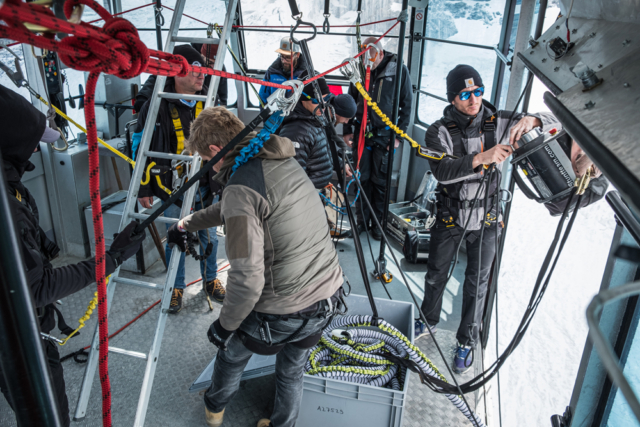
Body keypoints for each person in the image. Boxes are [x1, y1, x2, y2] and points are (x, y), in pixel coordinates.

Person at [166, 107, 345, 427]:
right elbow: (230, 207)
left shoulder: (241, 187)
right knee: (291, 373)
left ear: (214, 152)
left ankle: (214, 409)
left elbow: (247, 280)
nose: (209, 167)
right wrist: (185, 225)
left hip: (283, 311)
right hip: (327, 298)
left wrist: (223, 326)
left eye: (207, 162)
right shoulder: (277, 160)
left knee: (231, 353)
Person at [0, 84, 144, 426]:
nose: (37, 148)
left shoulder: (11, 188)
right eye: (33, 140)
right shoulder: (7, 208)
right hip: (18, 341)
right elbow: (36, 287)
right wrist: (112, 258)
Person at [414, 65, 559, 373]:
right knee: (436, 273)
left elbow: (555, 121)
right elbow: (442, 171)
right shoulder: (437, 131)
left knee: (478, 283)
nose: (474, 100)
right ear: (453, 98)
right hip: (451, 215)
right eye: (465, 95)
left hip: (488, 217)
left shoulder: (503, 121)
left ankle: (466, 340)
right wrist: (482, 157)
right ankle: (427, 320)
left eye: (478, 92)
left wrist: (534, 120)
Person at [133, 45, 225, 314]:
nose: (201, 77)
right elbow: (140, 147)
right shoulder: (155, 105)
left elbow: (225, 144)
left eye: (202, 72)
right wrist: (143, 186)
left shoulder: (209, 102)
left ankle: (210, 280)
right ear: (175, 73)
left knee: (211, 238)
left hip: (206, 186)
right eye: (194, 72)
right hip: (169, 189)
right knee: (176, 239)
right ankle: (176, 287)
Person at [343, 37, 413, 240]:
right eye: (365, 59)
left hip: (385, 137)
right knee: (361, 179)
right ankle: (362, 221)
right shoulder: (359, 68)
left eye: (371, 60)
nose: (368, 64)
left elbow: (406, 106)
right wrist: (348, 128)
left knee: (380, 183)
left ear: (381, 54)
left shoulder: (398, 70)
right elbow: (351, 99)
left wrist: (398, 136)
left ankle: (378, 225)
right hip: (362, 135)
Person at [279, 79, 356, 189]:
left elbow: (323, 150)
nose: (323, 106)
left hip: (320, 190)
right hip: (309, 194)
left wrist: (341, 165)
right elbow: (293, 180)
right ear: (303, 99)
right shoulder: (296, 132)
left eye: (325, 99)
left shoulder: (317, 119)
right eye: (316, 100)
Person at [133, 42, 228, 112]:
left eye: (217, 64)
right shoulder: (186, 56)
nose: (213, 68)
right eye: (210, 63)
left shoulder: (219, 70)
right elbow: (158, 77)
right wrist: (143, 98)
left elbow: (222, 97)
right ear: (201, 56)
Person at [258, 37, 309, 105]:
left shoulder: (306, 74)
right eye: (282, 56)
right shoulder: (272, 72)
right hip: (275, 113)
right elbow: (263, 97)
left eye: (288, 57)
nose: (284, 61)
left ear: (297, 55)